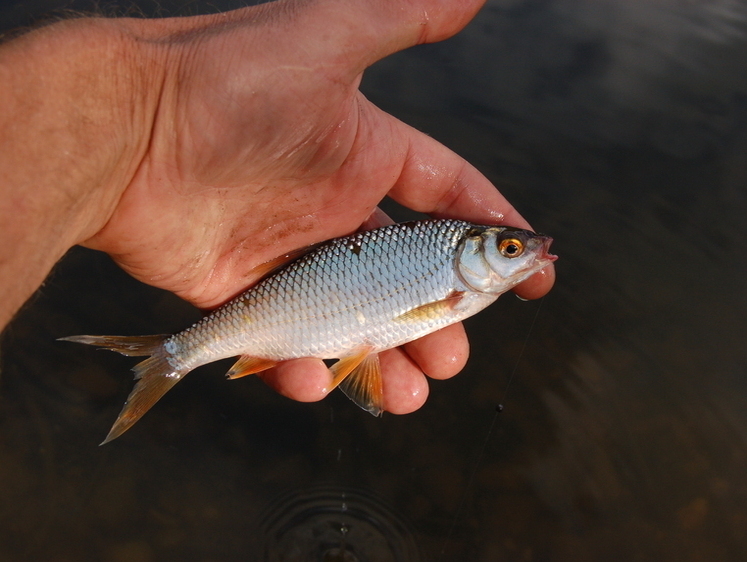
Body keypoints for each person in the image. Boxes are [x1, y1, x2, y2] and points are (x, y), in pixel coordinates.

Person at [0, 0, 554, 414]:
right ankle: (173, 356)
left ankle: (173, 356)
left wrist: (151, 116)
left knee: (364, 372)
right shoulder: (456, 284)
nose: (521, 250)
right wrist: (150, 114)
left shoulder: (458, 285)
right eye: (509, 246)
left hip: (315, 315)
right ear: (473, 255)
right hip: (313, 312)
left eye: (511, 248)